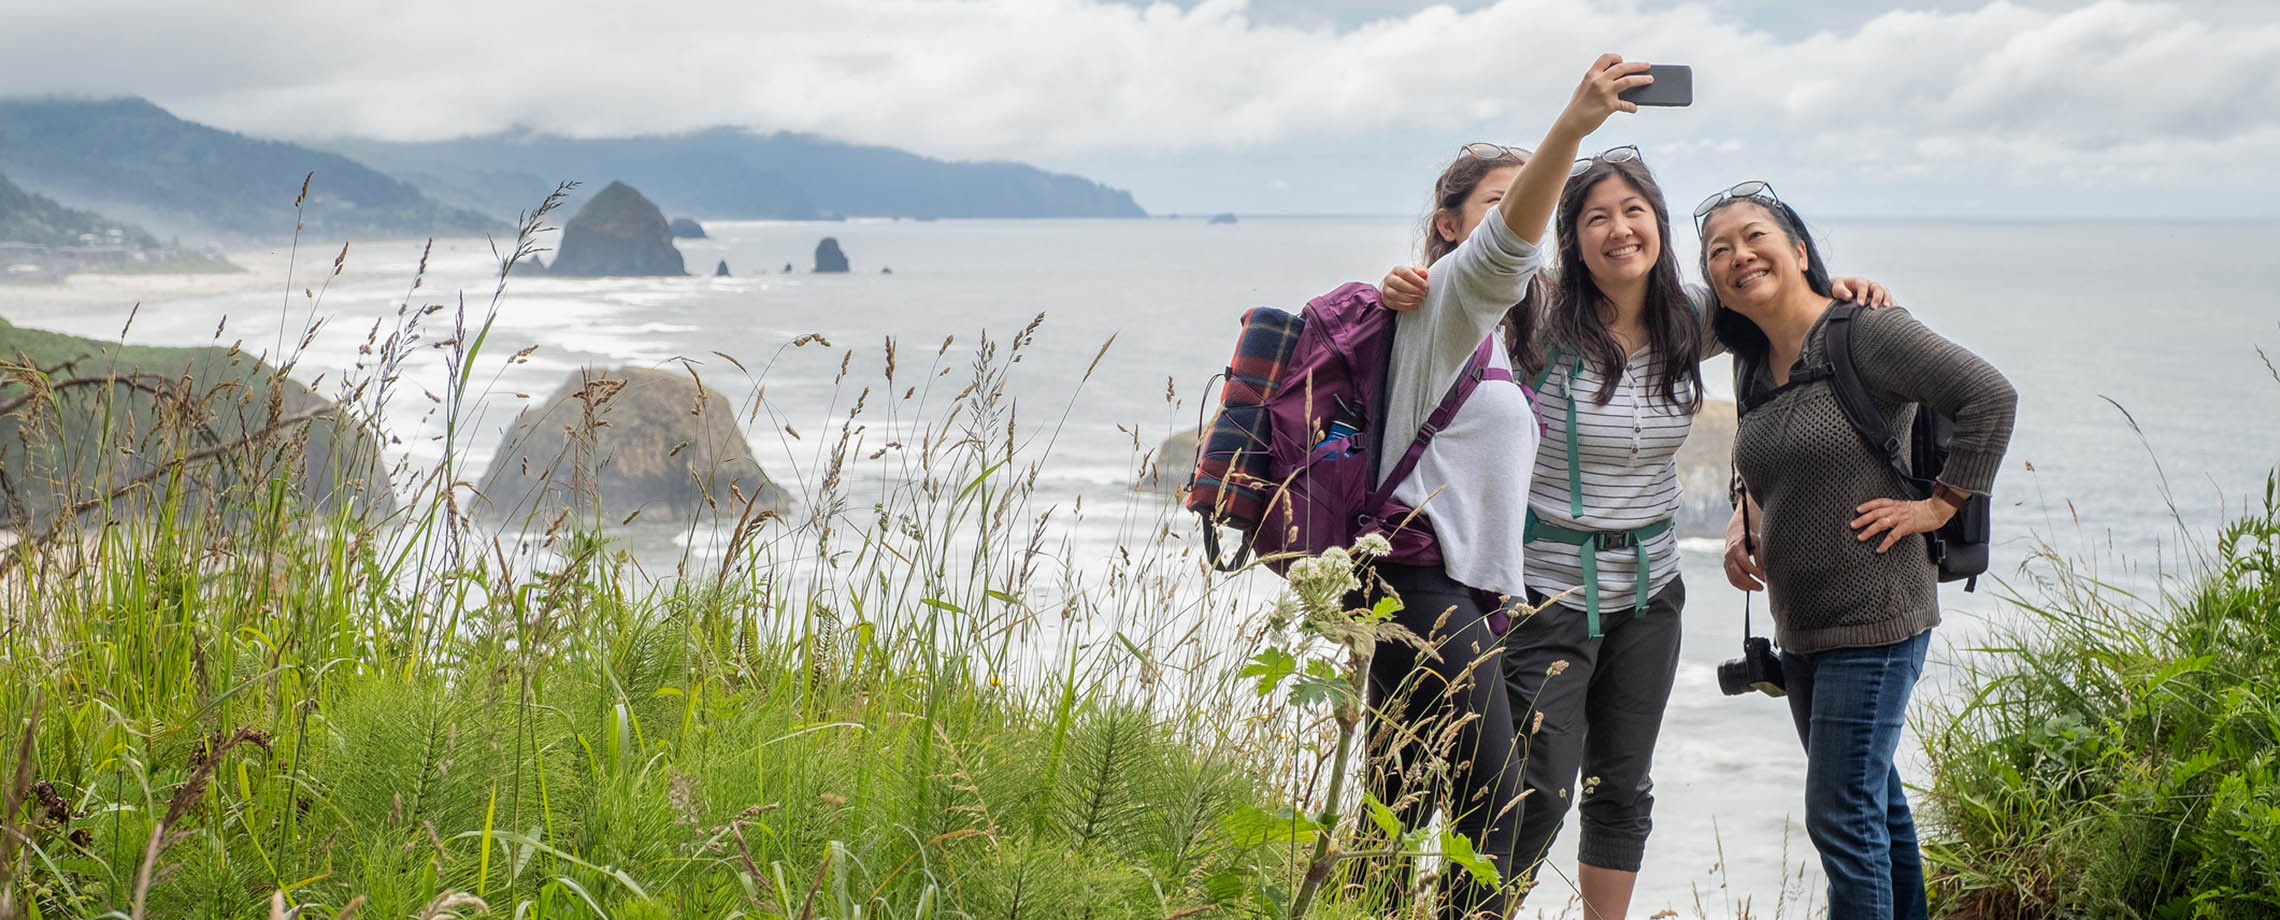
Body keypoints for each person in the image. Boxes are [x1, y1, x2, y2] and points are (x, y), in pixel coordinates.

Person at [1380, 161, 1891, 918]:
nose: (1621, 229)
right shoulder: (1536, 316)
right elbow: (1467, 290)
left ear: (1657, 222)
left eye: (1635, 211)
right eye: (1597, 218)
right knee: (1534, 791)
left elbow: (1775, 309)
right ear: (1572, 242)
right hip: (1546, 592)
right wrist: (1408, 287)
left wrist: (1844, 295)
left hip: (1653, 590)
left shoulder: (1692, 315)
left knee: (1623, 786)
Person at [1348, 54, 1661, 919]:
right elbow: (1512, 246)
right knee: (1499, 809)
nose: (1527, 221)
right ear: (1450, 227)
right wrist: (1575, 125)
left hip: (1445, 593)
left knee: (1396, 805)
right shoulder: (1453, 297)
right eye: (1498, 203)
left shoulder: (1492, 331)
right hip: (1425, 587)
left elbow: (1634, 305)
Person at [1701, 183, 2015, 919]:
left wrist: (1939, 503)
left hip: (1875, 620)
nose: (1739, 255)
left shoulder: (1864, 333)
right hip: (1803, 627)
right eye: (1720, 251)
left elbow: (1989, 397)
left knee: (1839, 816)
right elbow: (1759, 459)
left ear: (1799, 250)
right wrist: (1740, 519)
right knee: (1874, 806)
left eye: (1754, 236)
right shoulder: (1751, 362)